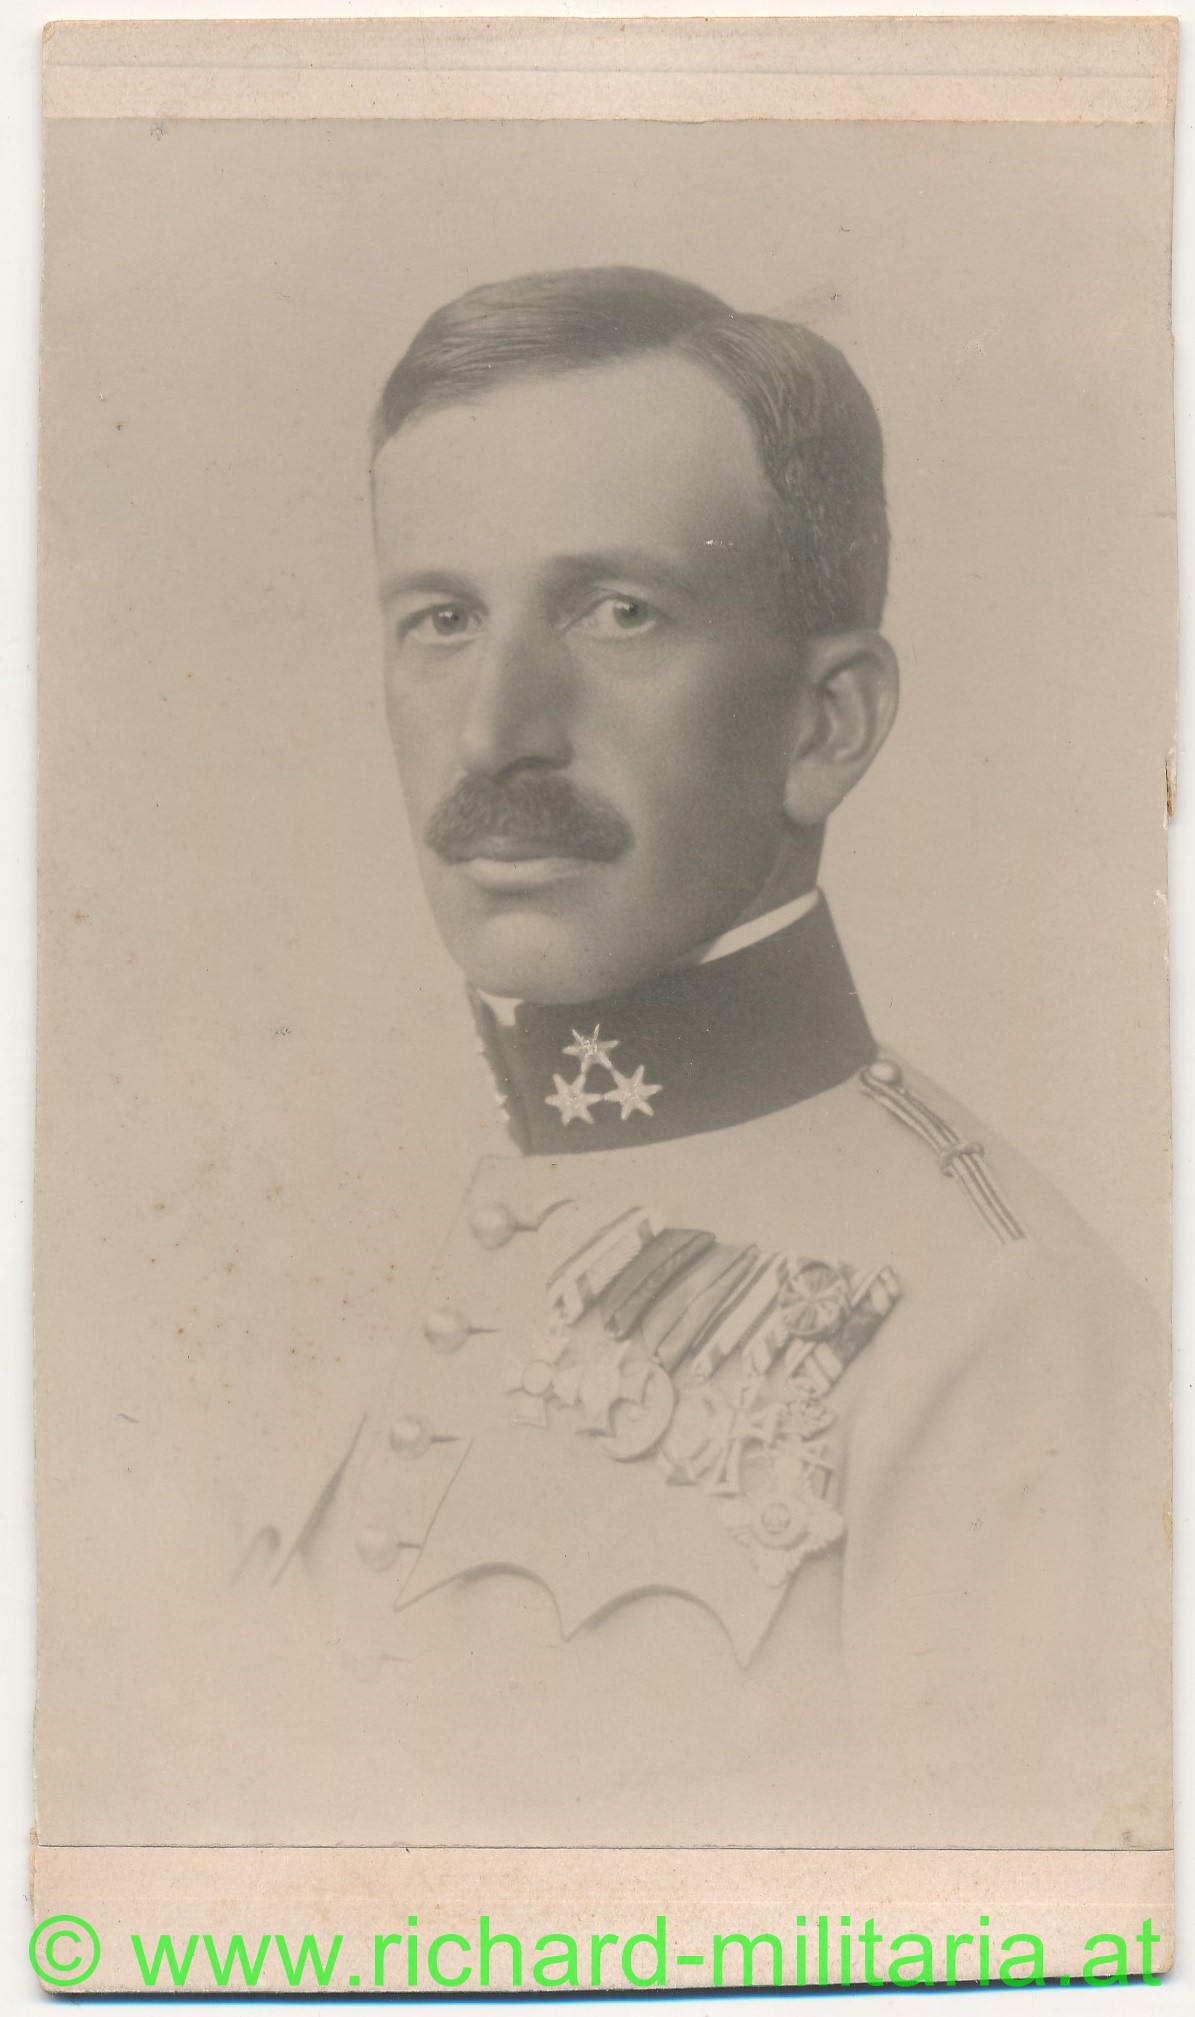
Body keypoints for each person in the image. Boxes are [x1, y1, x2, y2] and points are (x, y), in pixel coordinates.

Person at [271, 267, 1169, 1848]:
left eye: (617, 612)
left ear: (828, 724)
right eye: (441, 621)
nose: (494, 729)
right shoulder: (334, 1221)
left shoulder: (1000, 1322)